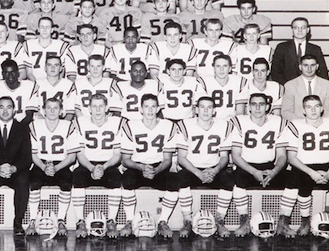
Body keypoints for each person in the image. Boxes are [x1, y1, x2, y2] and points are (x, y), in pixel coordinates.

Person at [283, 95, 329, 238]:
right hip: (303, 167)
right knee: (301, 184)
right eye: (309, 107)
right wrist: (312, 173)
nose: (313, 110)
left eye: (316, 106)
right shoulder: (295, 125)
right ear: (303, 110)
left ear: (322, 108)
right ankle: (305, 221)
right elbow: (291, 157)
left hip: (326, 167)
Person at [229, 93, 298, 237]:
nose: (258, 108)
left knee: (294, 178)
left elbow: (281, 155)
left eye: (261, 104)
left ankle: (283, 221)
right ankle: (244, 221)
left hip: (269, 167)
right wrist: (254, 172)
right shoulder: (239, 122)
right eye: (254, 104)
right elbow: (235, 156)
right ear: (248, 107)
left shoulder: (278, 122)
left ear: (268, 107)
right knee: (237, 180)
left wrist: (274, 171)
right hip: (247, 167)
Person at [172, 96, 234, 238]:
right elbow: (181, 158)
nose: (205, 110)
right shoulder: (185, 125)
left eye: (209, 107)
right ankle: (187, 220)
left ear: (214, 111)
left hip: (213, 169)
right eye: (202, 107)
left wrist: (215, 170)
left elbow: (224, 156)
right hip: (192, 169)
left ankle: (219, 219)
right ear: (196, 110)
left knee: (228, 179)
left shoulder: (223, 126)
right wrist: (198, 173)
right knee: (181, 178)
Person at [120, 94, 180, 238]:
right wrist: (141, 167)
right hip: (137, 166)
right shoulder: (130, 126)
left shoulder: (168, 126)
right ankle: (129, 220)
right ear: (141, 109)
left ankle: (162, 221)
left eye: (153, 106)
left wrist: (156, 170)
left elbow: (167, 160)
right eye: (146, 106)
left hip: (158, 168)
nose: (150, 110)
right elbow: (125, 160)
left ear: (158, 108)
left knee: (174, 181)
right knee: (127, 179)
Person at [72, 94, 127, 239]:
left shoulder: (116, 123)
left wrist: (104, 166)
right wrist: (92, 168)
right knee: (77, 177)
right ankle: (80, 221)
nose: (98, 110)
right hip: (87, 163)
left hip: (108, 163)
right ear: (89, 108)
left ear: (107, 108)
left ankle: (111, 221)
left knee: (116, 179)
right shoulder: (80, 122)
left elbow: (117, 154)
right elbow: (80, 154)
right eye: (94, 106)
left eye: (101, 106)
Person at [0, 96, 33, 235]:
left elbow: (26, 157)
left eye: (9, 107)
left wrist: (13, 168)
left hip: (14, 171)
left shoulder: (23, 128)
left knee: (23, 180)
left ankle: (18, 223)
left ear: (14, 110)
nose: (5, 111)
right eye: (1, 107)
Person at [25, 98, 78, 236]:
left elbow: (72, 157)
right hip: (41, 162)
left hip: (61, 163)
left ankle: (60, 219)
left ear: (61, 111)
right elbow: (32, 154)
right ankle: (32, 220)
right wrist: (43, 167)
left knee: (66, 183)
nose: (52, 111)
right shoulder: (35, 125)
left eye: (56, 108)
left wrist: (56, 168)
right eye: (49, 107)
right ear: (43, 110)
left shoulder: (69, 125)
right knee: (34, 182)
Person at [271, 17, 329, 85]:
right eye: (296, 28)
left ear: (308, 30)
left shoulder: (315, 49)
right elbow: (275, 73)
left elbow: (323, 73)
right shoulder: (282, 48)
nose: (300, 30)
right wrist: (290, 87)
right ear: (292, 30)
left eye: (303, 27)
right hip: (288, 89)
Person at [282, 54, 329, 121]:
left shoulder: (327, 85)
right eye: (305, 65)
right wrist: (302, 124)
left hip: (320, 125)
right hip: (298, 125)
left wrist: (320, 125)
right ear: (300, 67)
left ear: (317, 66)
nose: (309, 69)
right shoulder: (290, 85)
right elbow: (286, 111)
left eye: (312, 65)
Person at [0, 59, 39, 125]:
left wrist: (16, 129)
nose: (10, 75)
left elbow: (29, 116)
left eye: (13, 72)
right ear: (3, 74)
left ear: (18, 73)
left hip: (23, 126)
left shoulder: (30, 86)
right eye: (7, 72)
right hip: (1, 126)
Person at [196, 55, 249, 119]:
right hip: (210, 122)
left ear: (230, 69)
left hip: (231, 122)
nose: (221, 69)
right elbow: (201, 111)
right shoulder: (203, 82)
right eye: (218, 66)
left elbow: (240, 112)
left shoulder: (240, 82)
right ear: (213, 68)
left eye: (225, 66)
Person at [35, 56, 76, 120]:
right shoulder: (37, 84)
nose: (53, 68)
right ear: (45, 68)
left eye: (56, 65)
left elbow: (70, 113)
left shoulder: (68, 85)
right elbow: (35, 111)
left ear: (60, 68)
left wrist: (62, 126)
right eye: (49, 65)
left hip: (62, 121)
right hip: (41, 121)